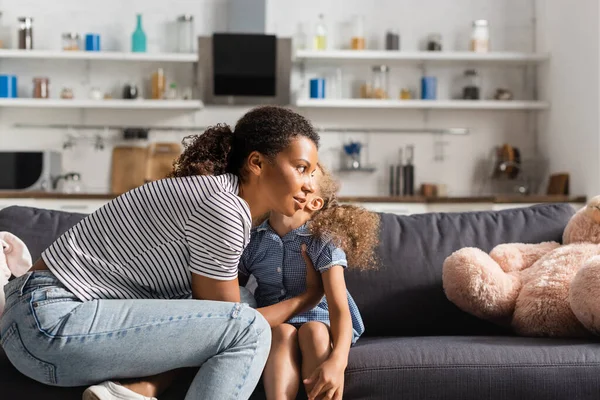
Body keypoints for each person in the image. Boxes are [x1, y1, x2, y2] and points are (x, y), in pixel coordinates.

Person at [0, 106, 326, 400]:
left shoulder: (221, 197)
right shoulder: (224, 207)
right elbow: (229, 323)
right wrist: (305, 299)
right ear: (256, 163)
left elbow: (215, 316)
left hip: (46, 322)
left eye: (312, 172)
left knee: (242, 302)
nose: (310, 184)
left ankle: (136, 390)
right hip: (49, 322)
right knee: (248, 327)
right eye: (300, 168)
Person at [240, 165, 380, 400]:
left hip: (320, 319)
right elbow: (234, 294)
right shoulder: (253, 241)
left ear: (314, 203)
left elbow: (339, 309)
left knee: (313, 331)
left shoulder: (323, 242)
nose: (294, 177)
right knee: (282, 333)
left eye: (306, 175)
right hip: (277, 321)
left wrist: (338, 362)